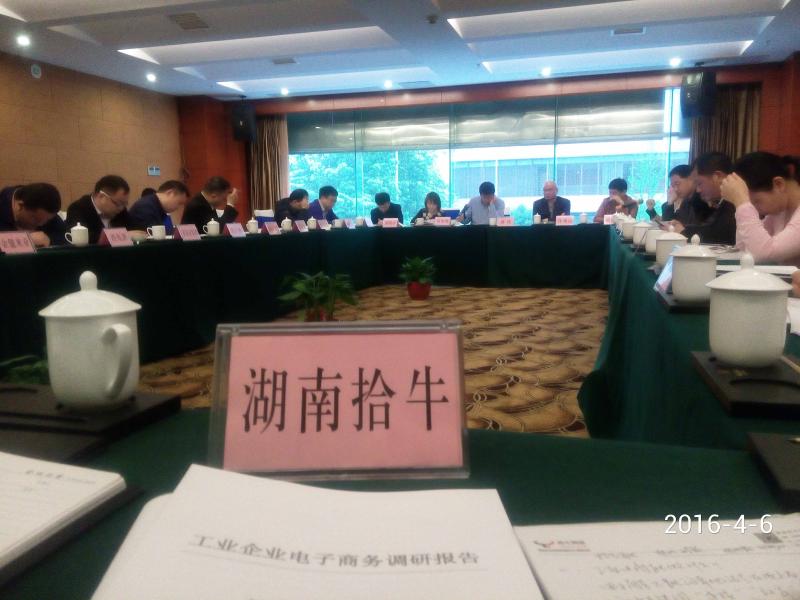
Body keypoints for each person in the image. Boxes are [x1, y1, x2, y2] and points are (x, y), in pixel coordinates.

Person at [721, 152, 800, 266]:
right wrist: (740, 203)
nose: (755, 210)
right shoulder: (778, 211)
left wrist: (742, 203)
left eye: (756, 201)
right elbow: (744, 249)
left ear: (779, 184)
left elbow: (763, 255)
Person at [672, 152, 736, 245]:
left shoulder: (734, 200)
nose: (697, 190)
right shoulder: (722, 201)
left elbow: (721, 235)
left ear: (718, 176)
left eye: (699, 183)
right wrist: (684, 228)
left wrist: (683, 231)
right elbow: (711, 228)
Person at [66, 175, 131, 244]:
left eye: (124, 204)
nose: (121, 208)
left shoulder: (121, 210)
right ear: (101, 196)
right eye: (118, 203)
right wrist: (124, 235)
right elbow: (83, 238)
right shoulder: (78, 208)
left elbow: (133, 229)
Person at [0, 183, 65, 247]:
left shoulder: (44, 209)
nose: (41, 224)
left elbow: (65, 238)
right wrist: (26, 240)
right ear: (20, 206)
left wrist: (49, 240)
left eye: (47, 220)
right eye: (35, 219)